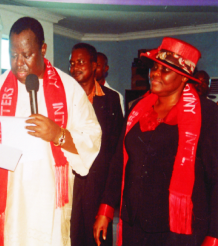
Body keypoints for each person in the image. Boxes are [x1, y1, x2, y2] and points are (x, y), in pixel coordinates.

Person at [0, 17, 101, 245]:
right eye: (13, 55)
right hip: (9, 205)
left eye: (26, 55)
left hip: (48, 206)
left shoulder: (69, 89)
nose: (19, 63)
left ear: (43, 49)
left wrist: (57, 134)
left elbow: (91, 140)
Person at [93, 37, 218, 246]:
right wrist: (105, 209)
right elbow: (118, 162)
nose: (155, 74)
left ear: (184, 78)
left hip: (179, 228)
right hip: (134, 222)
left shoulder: (207, 114)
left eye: (165, 70)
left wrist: (214, 235)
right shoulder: (137, 109)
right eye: (154, 68)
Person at [68, 43, 123, 246]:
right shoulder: (65, 98)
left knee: (98, 241)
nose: (75, 68)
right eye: (72, 63)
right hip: (72, 186)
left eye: (80, 62)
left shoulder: (111, 100)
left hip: (99, 187)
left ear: (94, 65)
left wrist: (109, 197)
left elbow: (115, 151)